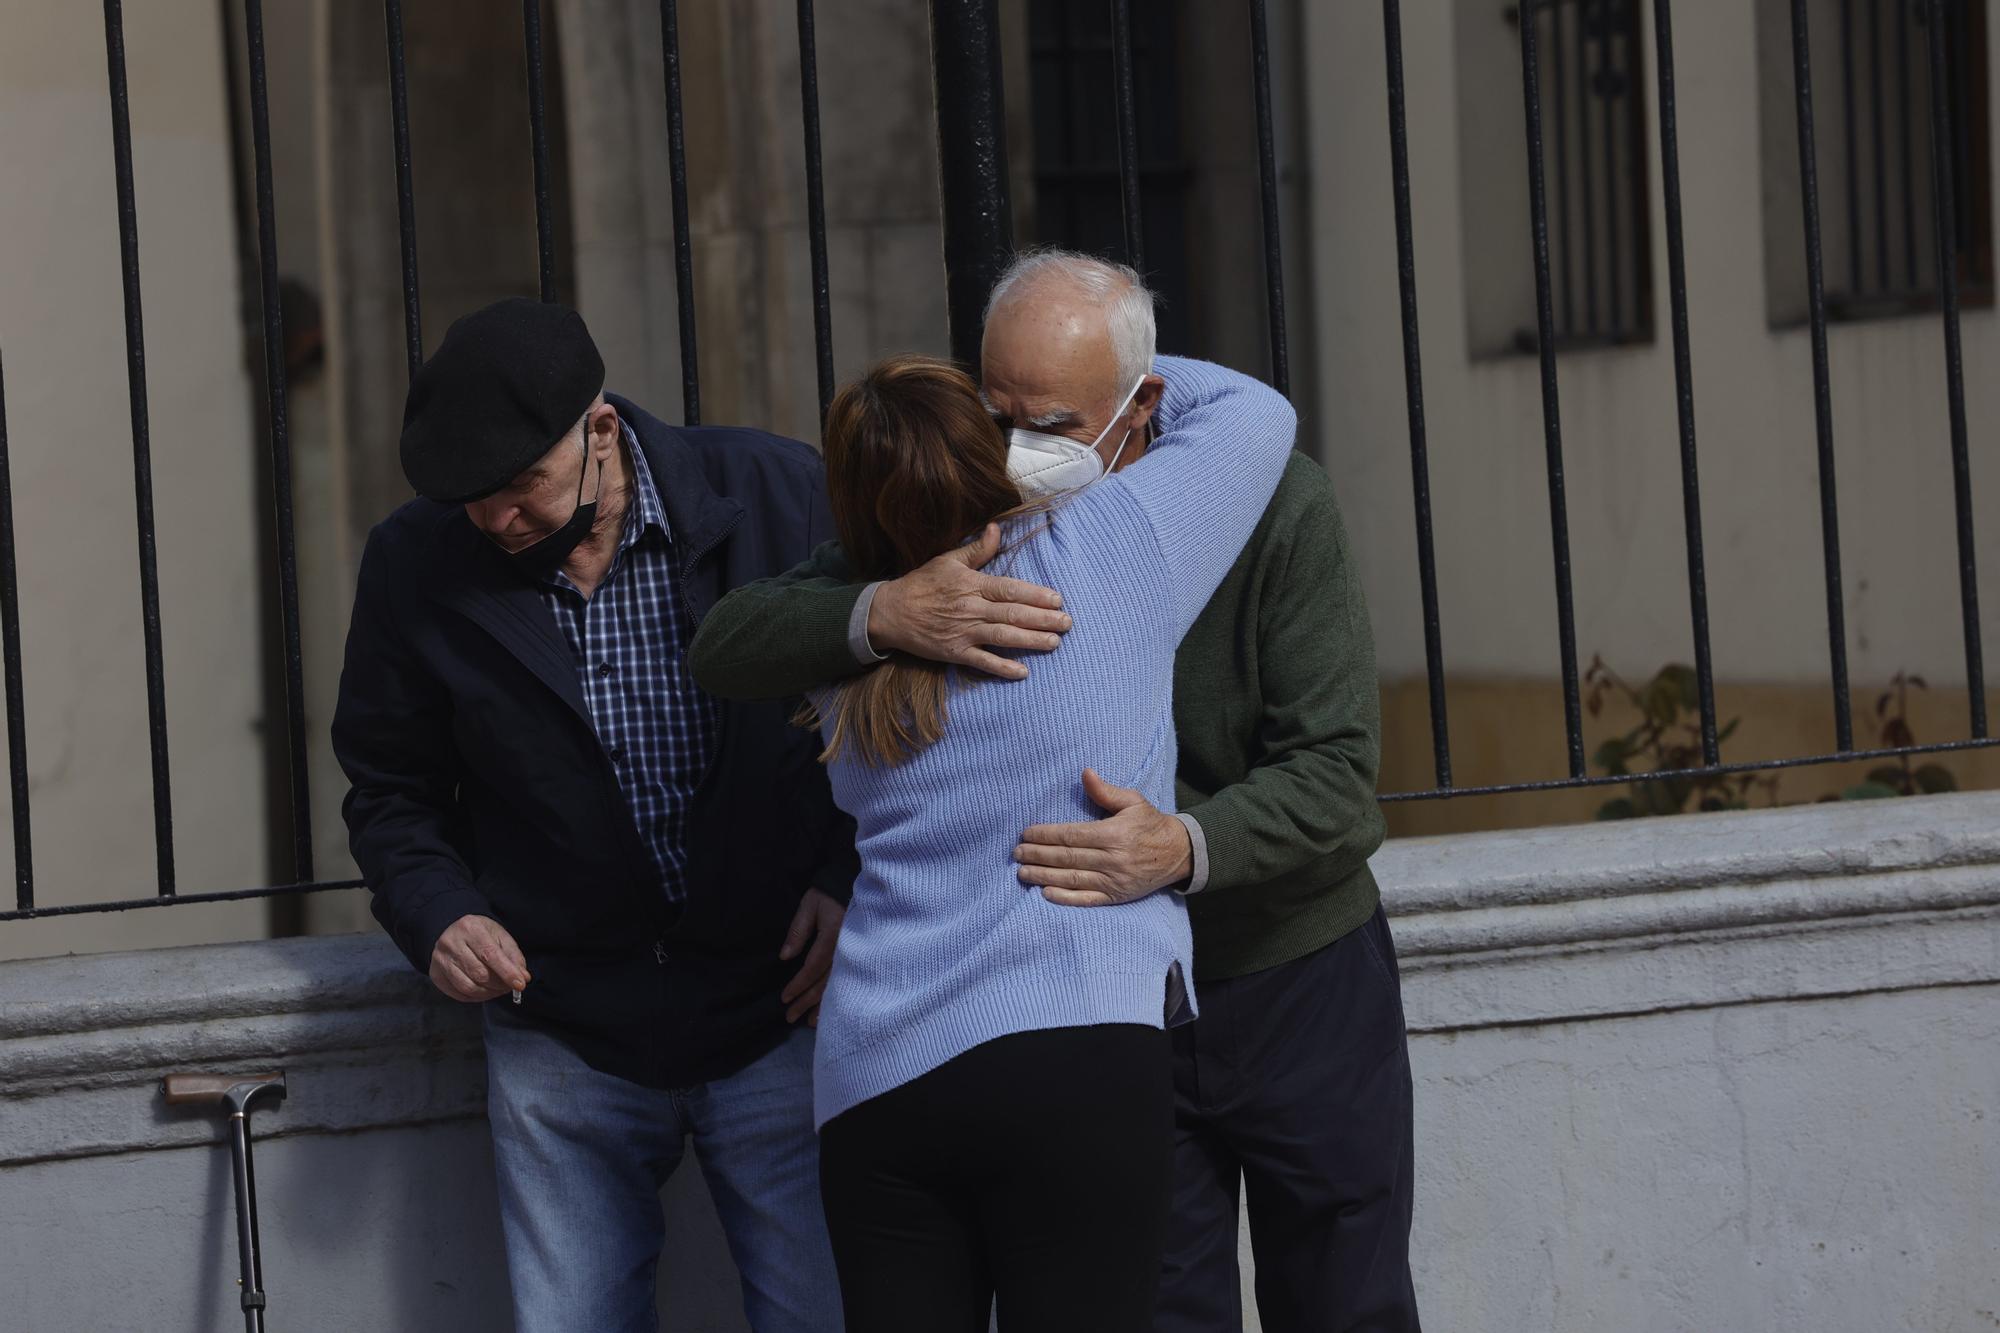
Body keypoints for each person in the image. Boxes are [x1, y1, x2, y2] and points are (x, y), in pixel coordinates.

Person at [688, 251, 1419, 1332]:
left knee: (1345, 1302)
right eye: (994, 412)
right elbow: (736, 638)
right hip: (1112, 1005)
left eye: (1055, 422)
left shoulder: (1260, 503)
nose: (1019, 449)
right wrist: (883, 612)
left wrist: (1183, 846)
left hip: (1286, 968)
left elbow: (1335, 777)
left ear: (1145, 406)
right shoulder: (954, 530)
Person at [331, 297, 853, 1333]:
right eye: (468, 499)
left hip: (778, 1006)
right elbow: (389, 787)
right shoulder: (415, 560)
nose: (494, 520)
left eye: (519, 486)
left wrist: (848, 879)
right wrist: (439, 915)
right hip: (559, 1023)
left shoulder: (775, 491)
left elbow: (888, 706)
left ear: (600, 430)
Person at [781, 341, 1293, 1333]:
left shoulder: (835, 641)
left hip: (877, 1076)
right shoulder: (1108, 550)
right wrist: (1060, 353)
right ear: (993, 456)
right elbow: (1250, 411)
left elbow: (748, 628)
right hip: (1076, 1046)